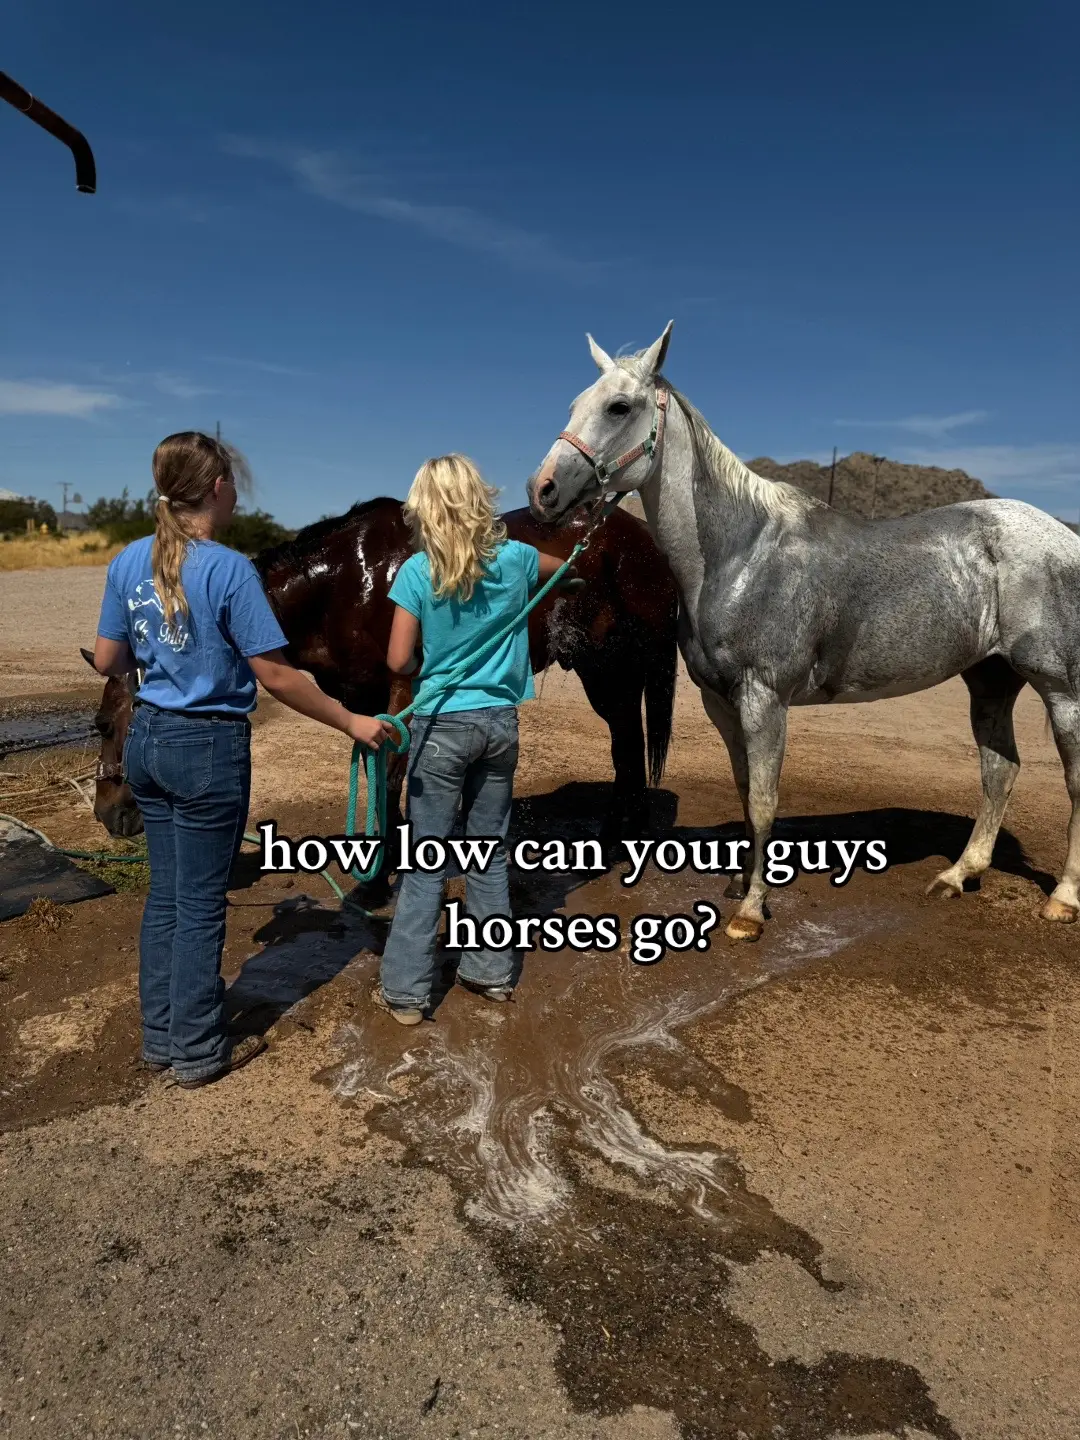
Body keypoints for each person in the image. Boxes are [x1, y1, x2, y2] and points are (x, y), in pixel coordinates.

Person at [93, 431, 393, 1089]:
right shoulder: (229, 570)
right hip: (207, 748)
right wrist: (352, 720)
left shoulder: (127, 561)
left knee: (167, 899)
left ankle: (161, 1038)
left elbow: (110, 661)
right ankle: (198, 1049)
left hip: (148, 742)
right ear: (219, 488)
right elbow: (278, 678)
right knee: (200, 903)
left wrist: (160, 653)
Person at [376, 453, 569, 1025]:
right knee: (489, 853)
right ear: (479, 500)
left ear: (425, 510)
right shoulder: (515, 559)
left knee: (426, 862)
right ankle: (490, 972)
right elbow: (560, 568)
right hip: (499, 726)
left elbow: (398, 660)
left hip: (439, 727)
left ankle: (407, 993)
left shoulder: (416, 572)